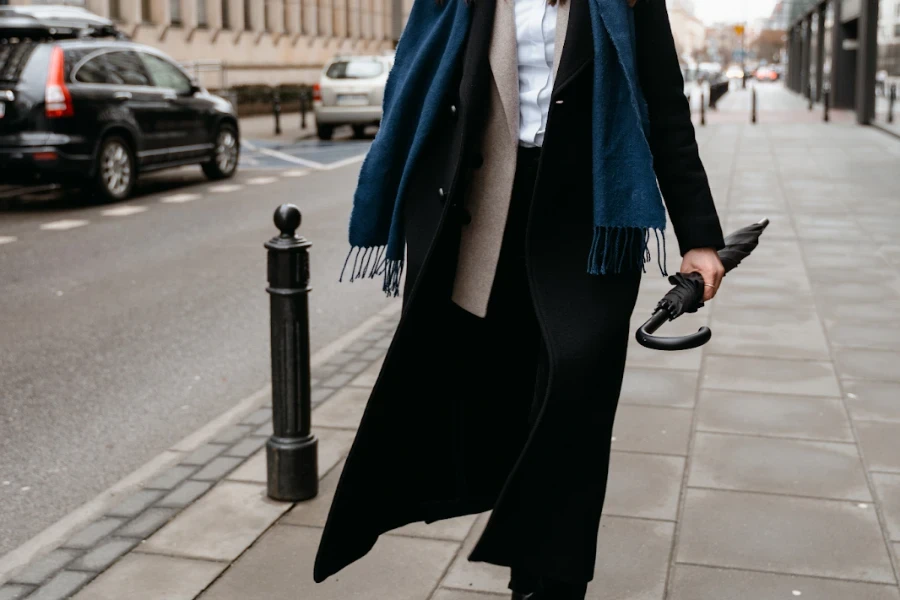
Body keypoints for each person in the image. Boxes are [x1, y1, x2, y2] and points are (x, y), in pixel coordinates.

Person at [317, 0, 726, 597]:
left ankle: (548, 582)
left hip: (588, 225)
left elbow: (663, 107)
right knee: (493, 397)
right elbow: (416, 88)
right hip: (477, 219)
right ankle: (501, 537)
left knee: (572, 404)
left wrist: (700, 237)